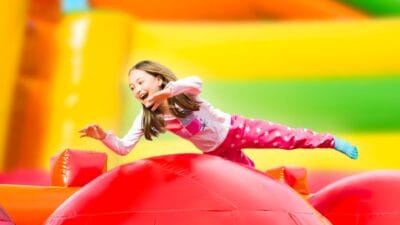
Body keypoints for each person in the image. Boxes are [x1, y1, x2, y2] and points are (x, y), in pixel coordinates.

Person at [79, 60, 358, 167]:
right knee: (247, 178)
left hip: (236, 128)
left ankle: (330, 141)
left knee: (286, 138)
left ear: (158, 79)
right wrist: (103, 136)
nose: (136, 89)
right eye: (132, 87)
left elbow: (196, 83)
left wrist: (170, 92)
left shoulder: (181, 92)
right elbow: (125, 147)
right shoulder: (147, 117)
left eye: (140, 82)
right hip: (216, 153)